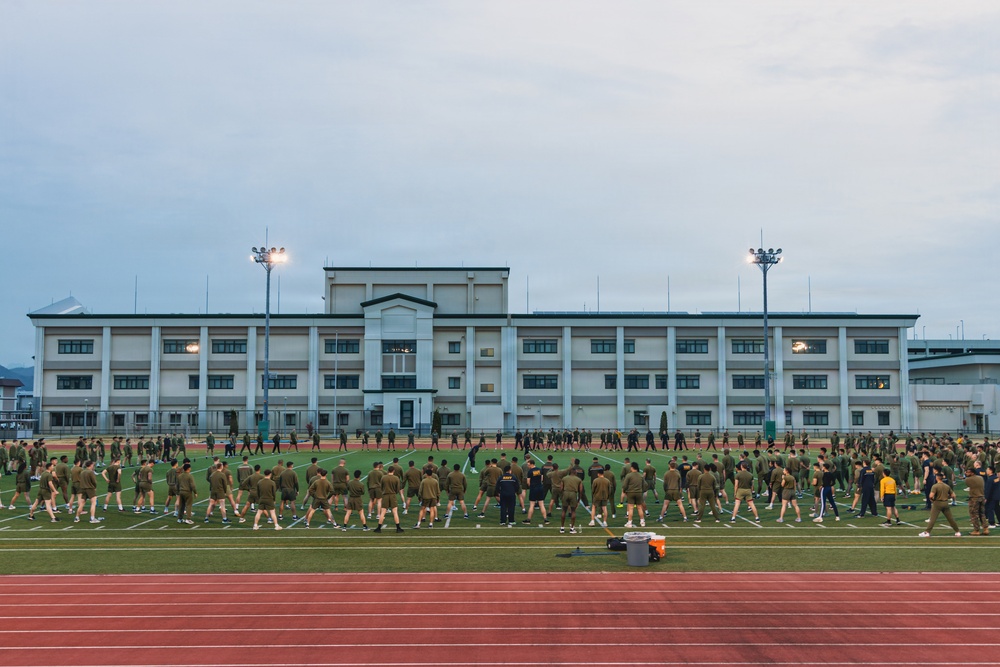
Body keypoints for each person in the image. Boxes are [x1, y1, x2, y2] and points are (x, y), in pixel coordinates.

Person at [919, 472, 961, 538]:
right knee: (950, 519)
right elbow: (953, 495)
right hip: (945, 503)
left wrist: (932, 500)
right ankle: (957, 531)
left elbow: (931, 496)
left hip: (937, 503)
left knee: (932, 519)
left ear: (936, 478)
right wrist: (947, 497)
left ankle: (927, 532)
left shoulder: (935, 486)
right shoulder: (947, 486)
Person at [374, 465, 403, 533]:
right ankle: (398, 527)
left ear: (388, 470)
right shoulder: (396, 478)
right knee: (395, 512)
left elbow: (381, 486)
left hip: (385, 495)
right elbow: (397, 488)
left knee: (383, 512)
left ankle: (379, 528)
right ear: (393, 471)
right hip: (392, 495)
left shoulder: (383, 477)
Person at [622, 462, 646, 528]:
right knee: (639, 507)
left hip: (630, 493)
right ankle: (642, 521)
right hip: (639, 493)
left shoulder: (629, 475)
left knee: (631, 508)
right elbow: (645, 485)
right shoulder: (640, 475)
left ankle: (629, 522)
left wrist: (624, 491)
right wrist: (642, 490)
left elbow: (625, 485)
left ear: (632, 467)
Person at [964, 467, 988, 536]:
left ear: (972, 473)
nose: (966, 473)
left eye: (968, 472)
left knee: (973, 514)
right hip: (982, 497)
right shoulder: (980, 478)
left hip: (974, 498)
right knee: (982, 514)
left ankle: (976, 530)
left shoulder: (968, 479)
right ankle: (985, 529)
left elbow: (968, 484)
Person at [559, 467, 583, 533]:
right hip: (573, 494)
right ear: (575, 472)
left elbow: (561, 488)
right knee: (573, 511)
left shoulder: (564, 478)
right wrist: (579, 499)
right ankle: (572, 528)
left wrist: (561, 496)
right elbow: (580, 490)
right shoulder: (578, 479)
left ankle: (562, 528)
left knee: (564, 510)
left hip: (565, 493)